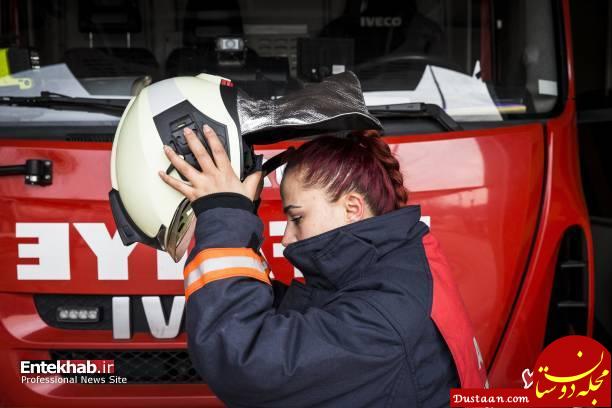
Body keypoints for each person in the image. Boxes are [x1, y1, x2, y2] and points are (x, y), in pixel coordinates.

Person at [158, 124, 488, 407]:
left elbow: (246, 361)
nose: (287, 238)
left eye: (297, 217)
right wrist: (235, 219)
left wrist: (225, 220)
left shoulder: (385, 317)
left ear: (353, 207)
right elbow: (305, 322)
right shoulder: (397, 264)